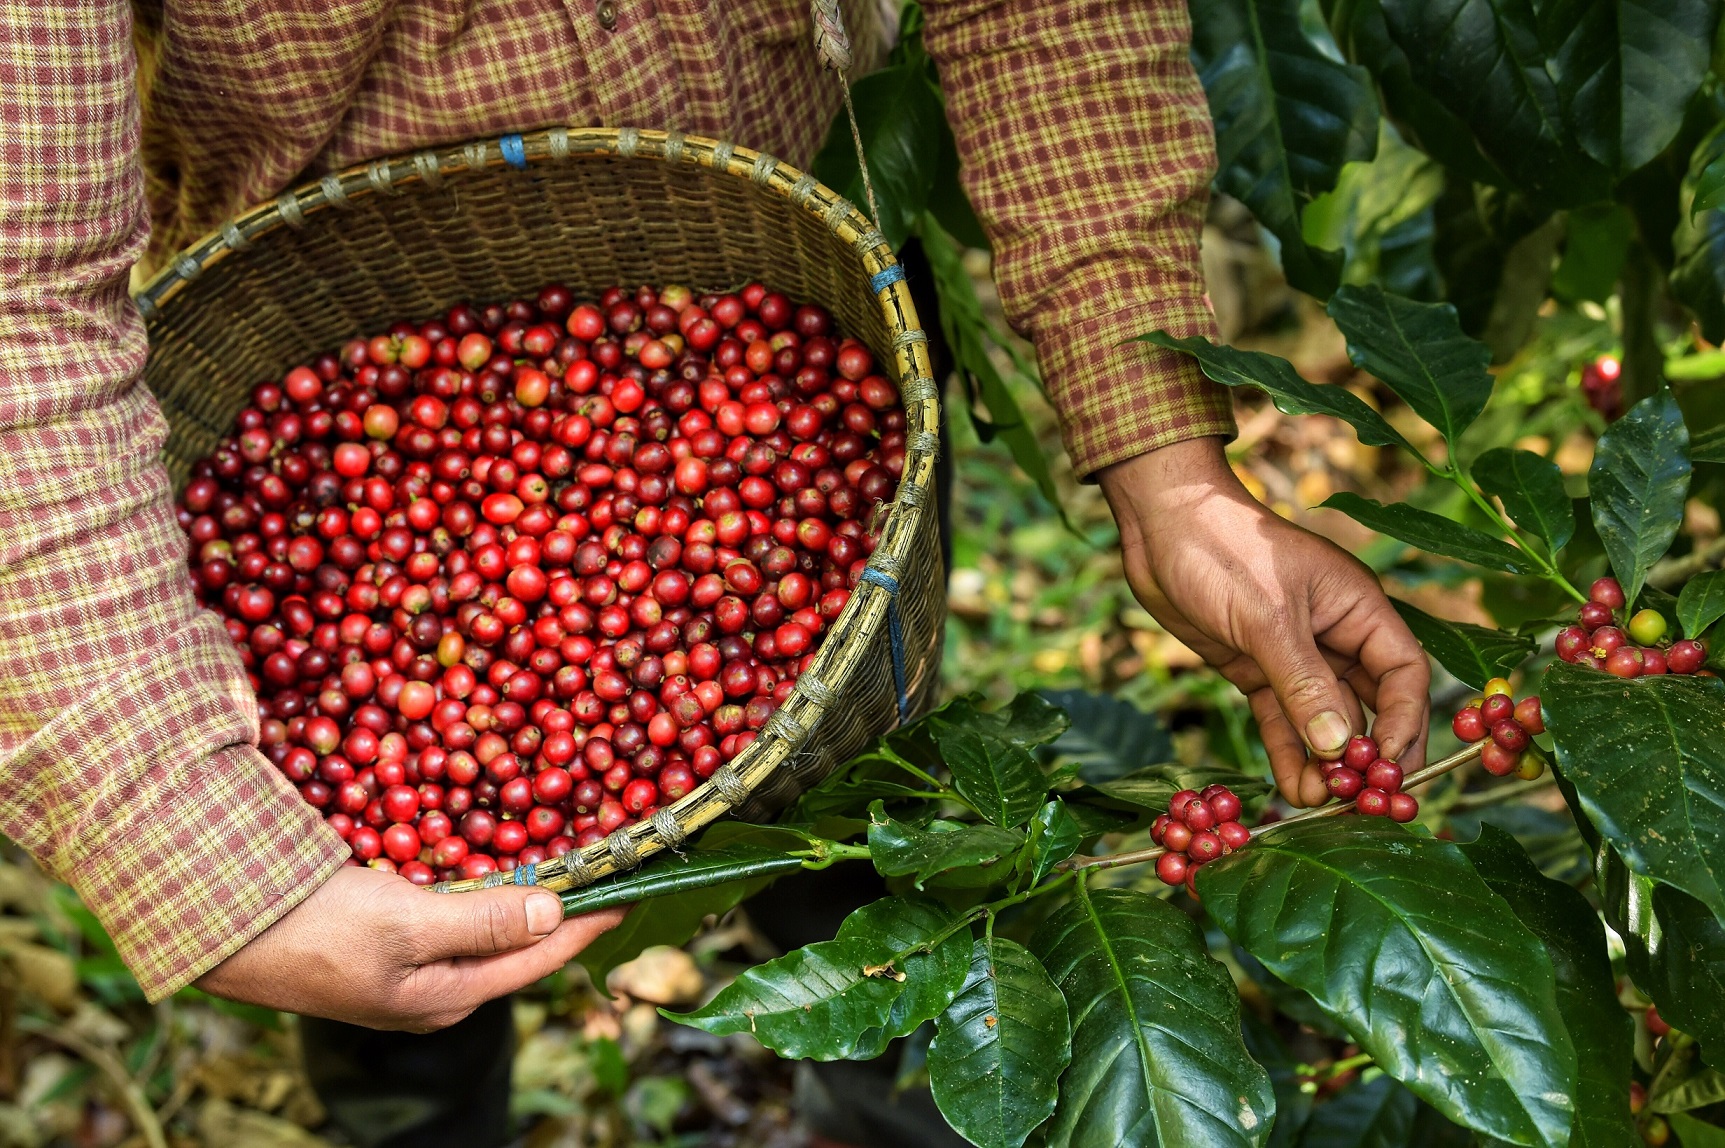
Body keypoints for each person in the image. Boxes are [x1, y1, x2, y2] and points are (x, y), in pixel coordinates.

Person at [0, 0, 1429, 1139]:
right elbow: (19, 300)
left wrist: (1167, 464)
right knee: (377, 958)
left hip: (765, 241)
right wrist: (201, 847)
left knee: (879, 869)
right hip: (307, 271)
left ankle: (902, 1114)